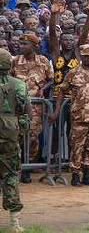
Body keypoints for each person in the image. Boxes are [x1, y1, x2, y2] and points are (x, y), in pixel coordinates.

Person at [49, 44, 89, 186]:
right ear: (81, 56)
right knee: (77, 146)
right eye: (85, 56)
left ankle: (87, 174)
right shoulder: (73, 73)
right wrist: (57, 110)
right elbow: (62, 90)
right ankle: (75, 175)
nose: (88, 58)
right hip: (79, 116)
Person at [10, 33, 53, 183]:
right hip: (17, 107)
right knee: (17, 138)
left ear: (34, 46)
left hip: (35, 107)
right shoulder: (15, 61)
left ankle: (28, 168)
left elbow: (51, 79)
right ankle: (18, 168)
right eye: (20, 44)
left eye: (25, 44)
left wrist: (44, 89)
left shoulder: (43, 61)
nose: (21, 47)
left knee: (33, 138)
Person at [0, 48, 31, 232]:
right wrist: (22, 131)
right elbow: (27, 112)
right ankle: (14, 223)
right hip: (10, 133)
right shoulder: (19, 85)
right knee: (11, 174)